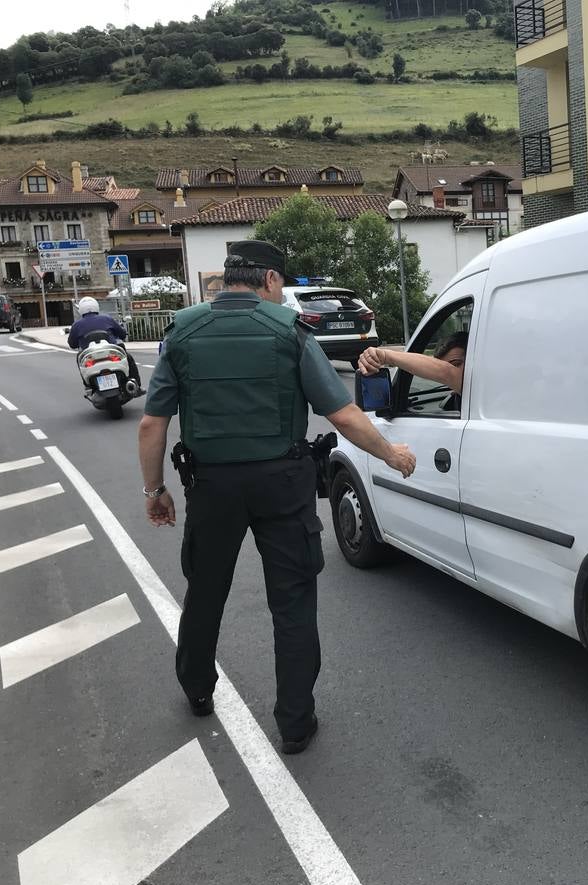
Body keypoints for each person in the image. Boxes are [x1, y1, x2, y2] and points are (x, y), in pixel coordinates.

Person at [137, 240, 416, 755]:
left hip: (211, 488)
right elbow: (344, 415)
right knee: (291, 601)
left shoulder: (183, 330)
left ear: (228, 278)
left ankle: (197, 690)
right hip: (282, 486)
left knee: (205, 591)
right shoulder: (288, 332)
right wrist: (391, 454)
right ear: (268, 280)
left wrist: (156, 490)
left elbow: (153, 421)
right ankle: (294, 722)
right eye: (280, 285)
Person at [357, 330, 468, 411]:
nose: (447, 379)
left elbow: (447, 372)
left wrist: (386, 356)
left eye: (457, 364)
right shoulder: (463, 397)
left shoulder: (474, 386)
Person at [67, 296, 143, 393]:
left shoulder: (76, 325)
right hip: (111, 353)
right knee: (128, 358)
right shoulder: (107, 318)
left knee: (79, 359)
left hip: (90, 357)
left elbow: (72, 344)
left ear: (81, 309)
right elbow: (122, 334)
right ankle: (137, 386)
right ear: (96, 306)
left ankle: (88, 386)